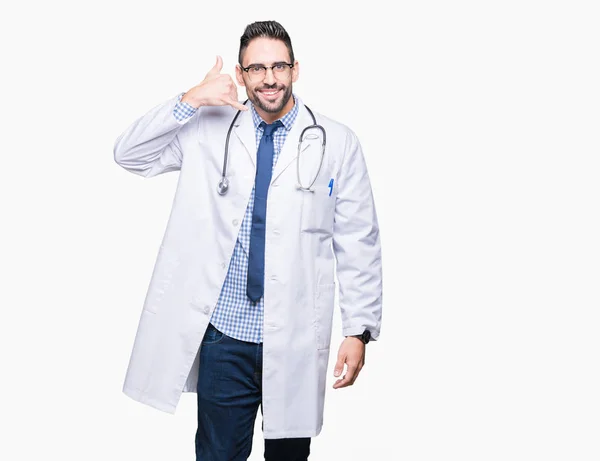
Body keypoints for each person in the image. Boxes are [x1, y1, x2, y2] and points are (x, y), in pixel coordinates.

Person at [113, 20, 383, 461]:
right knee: (218, 455)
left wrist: (359, 330)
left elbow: (359, 240)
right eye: (256, 69)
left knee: (288, 457)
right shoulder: (208, 127)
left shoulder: (336, 142)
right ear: (240, 75)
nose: (269, 78)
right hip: (225, 336)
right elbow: (129, 154)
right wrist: (189, 100)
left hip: (293, 332)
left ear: (296, 69)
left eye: (279, 66)